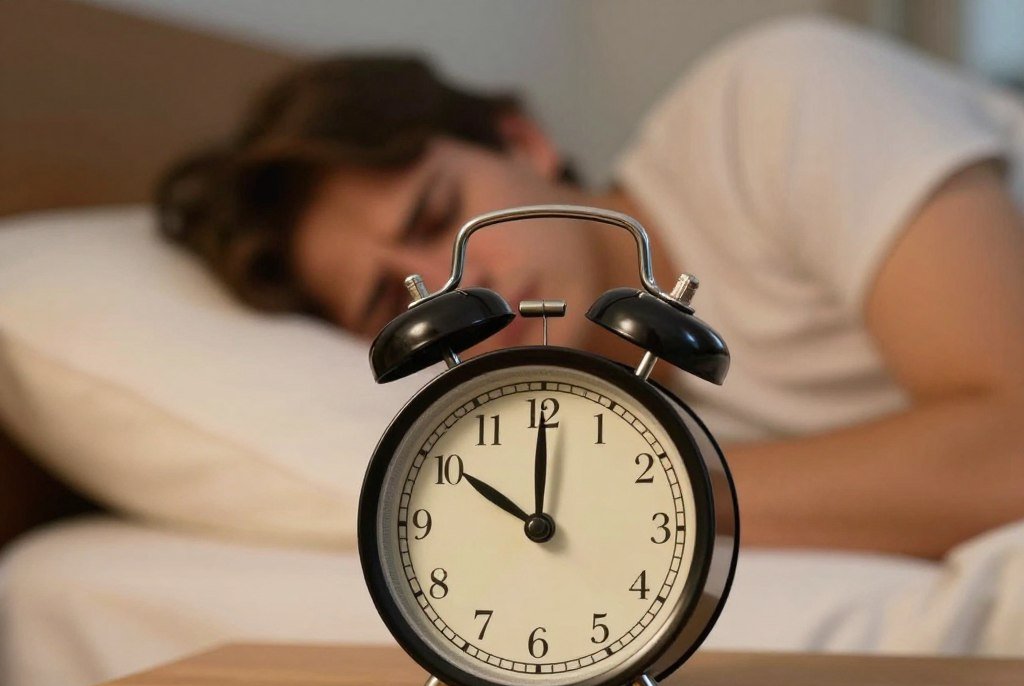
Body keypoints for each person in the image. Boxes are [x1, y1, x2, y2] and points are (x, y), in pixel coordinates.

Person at [157, 17, 1024, 561]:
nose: (455, 292)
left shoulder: (779, 100)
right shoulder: (591, 402)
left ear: (523, 141)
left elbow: (1011, 443)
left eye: (438, 212)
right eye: (394, 302)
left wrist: (636, 488)